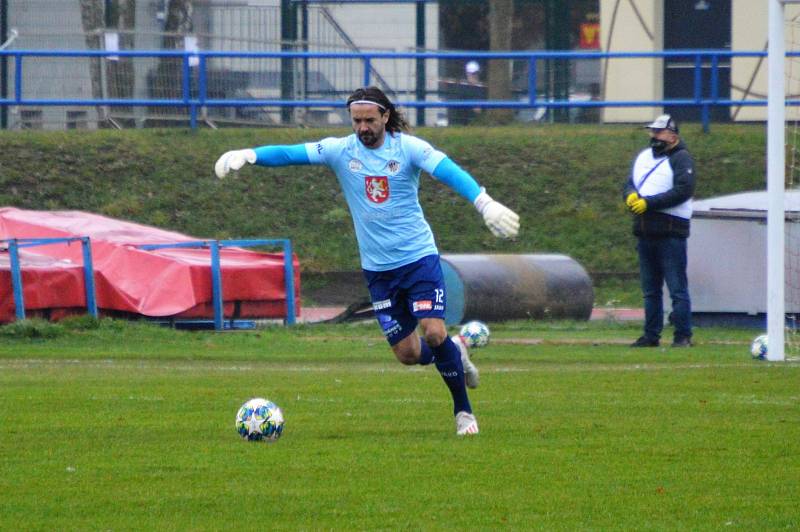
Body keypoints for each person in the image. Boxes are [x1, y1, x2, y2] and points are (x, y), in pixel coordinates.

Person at [214, 86, 520, 435]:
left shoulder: (407, 148)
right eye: (356, 120)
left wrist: (483, 202)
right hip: (378, 270)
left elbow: (447, 170)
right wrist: (251, 154)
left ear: (385, 117)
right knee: (407, 353)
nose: (362, 127)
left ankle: (463, 413)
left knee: (433, 332)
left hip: (418, 258)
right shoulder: (340, 150)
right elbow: (289, 153)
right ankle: (459, 349)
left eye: (369, 120)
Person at [622, 114, 696, 348]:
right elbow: (630, 182)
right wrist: (630, 195)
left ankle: (683, 335)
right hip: (645, 230)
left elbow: (683, 190)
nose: (654, 136)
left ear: (672, 136)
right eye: (652, 132)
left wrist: (649, 203)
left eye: (658, 132)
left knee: (676, 288)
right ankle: (651, 334)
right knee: (650, 290)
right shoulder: (644, 157)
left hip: (670, 231)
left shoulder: (682, 158)